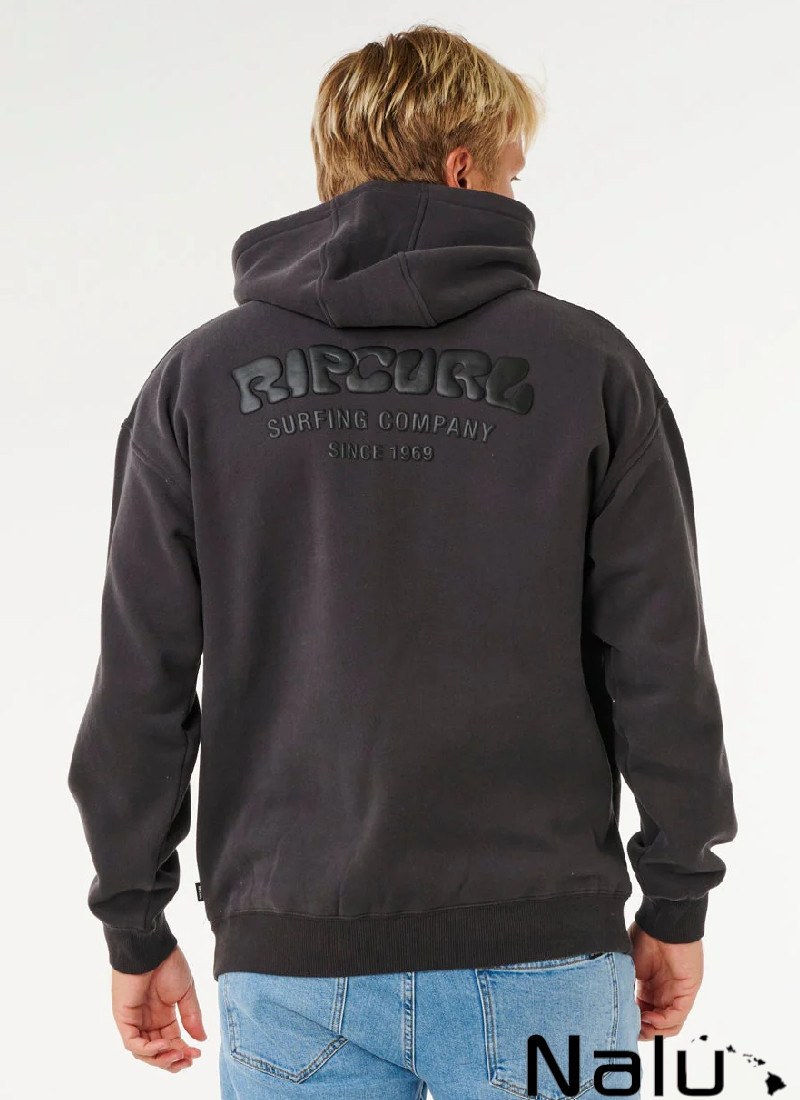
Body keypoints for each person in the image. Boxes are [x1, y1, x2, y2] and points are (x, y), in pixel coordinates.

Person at [67, 22, 738, 1099]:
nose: (519, 194)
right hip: (541, 949)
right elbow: (659, 658)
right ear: (464, 170)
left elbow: (140, 679)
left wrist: (133, 922)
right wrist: (675, 898)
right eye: (514, 171)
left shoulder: (199, 381)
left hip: (290, 956)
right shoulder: (586, 365)